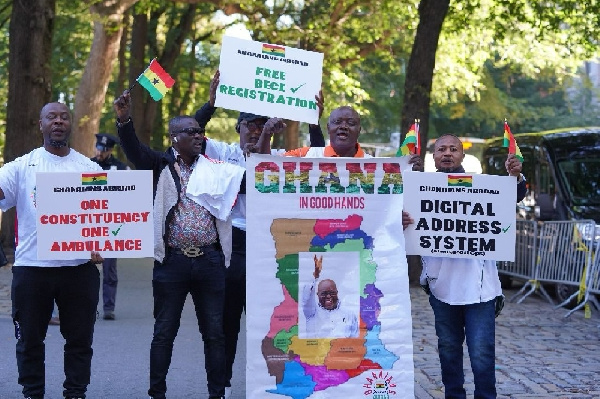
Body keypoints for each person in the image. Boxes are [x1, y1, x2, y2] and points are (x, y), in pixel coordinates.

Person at [113, 89, 248, 399]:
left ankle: (217, 394)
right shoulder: (160, 164)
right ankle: (156, 393)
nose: (199, 136)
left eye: (201, 132)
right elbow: (133, 149)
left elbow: (256, 182)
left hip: (210, 263)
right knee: (164, 333)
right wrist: (124, 119)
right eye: (191, 132)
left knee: (215, 335)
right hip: (171, 263)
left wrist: (262, 142)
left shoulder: (217, 169)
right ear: (174, 138)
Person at [194, 70, 320, 399]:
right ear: (237, 128)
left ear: (273, 131)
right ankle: (218, 388)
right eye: (249, 125)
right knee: (225, 325)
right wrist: (210, 105)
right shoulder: (222, 153)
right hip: (230, 246)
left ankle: (276, 386)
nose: (254, 130)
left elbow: (321, 158)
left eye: (262, 125)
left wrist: (314, 118)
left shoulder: (279, 159)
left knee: (274, 324)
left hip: (269, 250)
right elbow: (191, 135)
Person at [402, 134, 526, 399]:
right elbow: (390, 209)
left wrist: (516, 176)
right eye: (441, 149)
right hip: (440, 288)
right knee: (448, 349)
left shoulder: (482, 186)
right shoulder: (417, 188)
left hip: (480, 291)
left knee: (481, 352)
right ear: (433, 155)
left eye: (453, 149)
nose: (447, 153)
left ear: (462, 155)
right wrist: (400, 218)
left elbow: (514, 194)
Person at [0, 102, 104, 399]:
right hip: (32, 268)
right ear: (41, 124)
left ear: (70, 124)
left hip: (79, 270)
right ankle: (33, 392)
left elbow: (104, 218)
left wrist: (103, 245)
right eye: (51, 117)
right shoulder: (21, 167)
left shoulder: (89, 168)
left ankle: (76, 392)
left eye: (63, 117)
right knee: (30, 339)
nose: (58, 121)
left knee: (80, 340)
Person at [90, 133, 129, 321]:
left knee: (109, 270)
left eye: (104, 150)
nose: (100, 153)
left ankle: (108, 307)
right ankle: (87, 306)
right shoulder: (87, 165)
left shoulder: (121, 169)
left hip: (111, 225)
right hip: (89, 222)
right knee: (86, 269)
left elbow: (130, 191)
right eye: (98, 148)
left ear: (110, 150)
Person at [301, 255, 358, 338]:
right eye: (324, 293)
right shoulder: (311, 313)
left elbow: (354, 341)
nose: (328, 296)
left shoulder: (350, 315)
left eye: (332, 293)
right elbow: (306, 296)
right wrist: (315, 276)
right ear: (318, 295)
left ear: (337, 293)